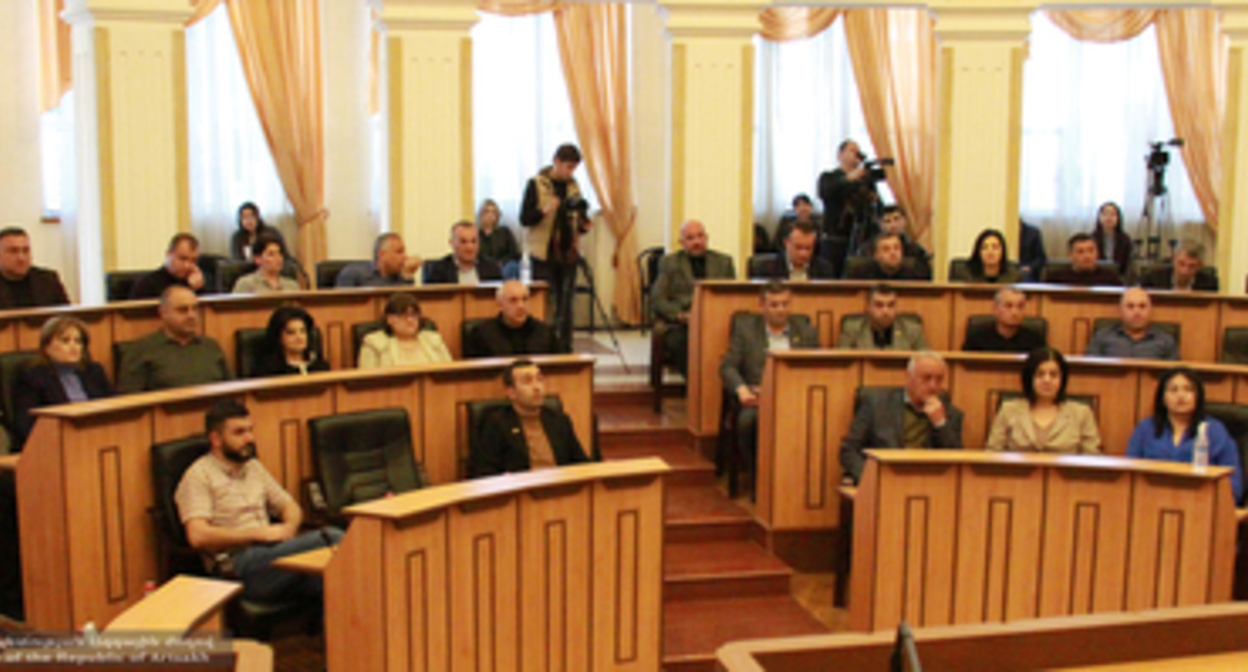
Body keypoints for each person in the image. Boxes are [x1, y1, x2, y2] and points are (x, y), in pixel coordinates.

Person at [176, 399, 343, 604]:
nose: (250, 438)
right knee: (334, 539)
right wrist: (256, 534)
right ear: (216, 439)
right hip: (237, 565)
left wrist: (289, 527)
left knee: (331, 578)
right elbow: (197, 535)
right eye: (239, 433)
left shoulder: (253, 467)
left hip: (271, 554)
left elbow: (290, 506)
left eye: (250, 430)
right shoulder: (199, 476)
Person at [719, 281, 819, 466]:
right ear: (762, 306)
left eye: (785, 304)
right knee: (748, 423)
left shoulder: (805, 331)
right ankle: (759, 474)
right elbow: (728, 366)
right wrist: (742, 389)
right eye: (774, 305)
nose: (780, 310)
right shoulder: (746, 329)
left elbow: (815, 368)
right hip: (758, 398)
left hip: (795, 397)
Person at [839, 352, 964, 484]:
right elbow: (849, 450)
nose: (933, 386)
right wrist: (870, 478)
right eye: (926, 378)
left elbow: (956, 462)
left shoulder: (950, 414)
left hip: (929, 484)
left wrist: (940, 424)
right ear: (908, 377)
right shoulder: (876, 405)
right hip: (884, 481)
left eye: (939, 379)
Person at [1127, 367, 1243, 502]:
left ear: (1198, 396)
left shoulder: (1215, 431)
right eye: (1173, 390)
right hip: (1150, 503)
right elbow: (1129, 476)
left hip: (1201, 504)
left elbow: (1234, 485)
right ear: (1162, 397)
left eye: (1188, 389)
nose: (1181, 395)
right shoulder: (1145, 429)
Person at [519, 144, 590, 352]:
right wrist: (544, 210)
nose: (570, 173)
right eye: (567, 167)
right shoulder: (536, 184)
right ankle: (543, 346)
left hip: (568, 253)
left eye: (573, 169)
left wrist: (584, 226)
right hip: (543, 253)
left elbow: (577, 216)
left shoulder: (573, 186)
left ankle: (565, 347)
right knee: (545, 303)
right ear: (556, 161)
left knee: (566, 305)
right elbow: (525, 219)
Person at [469, 359, 589, 477]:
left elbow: (581, 464)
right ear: (511, 392)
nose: (537, 387)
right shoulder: (496, 424)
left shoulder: (559, 420)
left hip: (560, 489)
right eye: (527, 382)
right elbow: (485, 473)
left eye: (540, 380)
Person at [11, 316, 114, 449]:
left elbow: (114, 404)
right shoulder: (32, 377)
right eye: (65, 341)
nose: (74, 346)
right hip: (53, 446)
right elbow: (26, 426)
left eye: (78, 341)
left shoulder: (93, 372)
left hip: (95, 440)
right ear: (46, 347)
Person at [651, 220, 736, 375]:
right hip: (683, 323)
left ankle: (723, 388)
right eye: (690, 238)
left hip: (716, 321)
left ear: (706, 238)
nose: (697, 242)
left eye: (700, 236)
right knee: (680, 342)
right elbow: (657, 298)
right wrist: (680, 315)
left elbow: (732, 296)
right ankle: (696, 388)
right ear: (682, 242)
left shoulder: (724, 262)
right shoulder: (670, 263)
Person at [117, 285, 232, 393]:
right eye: (183, 310)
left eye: (195, 309)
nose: (191, 316)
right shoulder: (141, 350)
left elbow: (232, 390)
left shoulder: (211, 346)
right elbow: (129, 403)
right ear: (163, 313)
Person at [986, 348, 1101, 454]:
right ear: (1029, 378)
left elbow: (1094, 459)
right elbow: (992, 454)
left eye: (1053, 375)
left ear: (1062, 379)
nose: (1047, 380)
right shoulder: (1008, 410)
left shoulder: (1081, 414)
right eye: (1040, 374)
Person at [818, 139, 881, 269]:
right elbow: (826, 191)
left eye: (859, 152)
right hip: (835, 238)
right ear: (840, 155)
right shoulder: (829, 177)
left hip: (862, 238)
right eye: (852, 150)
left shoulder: (865, 182)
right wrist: (849, 178)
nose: (857, 154)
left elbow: (876, 205)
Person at [464, 280, 558, 358]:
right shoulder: (481, 335)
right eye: (513, 300)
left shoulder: (545, 332)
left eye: (525, 299)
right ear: (500, 305)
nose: (521, 306)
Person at [358, 293, 452, 368]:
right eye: (404, 315)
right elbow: (367, 382)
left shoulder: (433, 340)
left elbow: (449, 374)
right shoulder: (374, 343)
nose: (410, 320)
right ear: (390, 319)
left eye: (414, 315)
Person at [1085, 287, 1178, 361]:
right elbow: (1088, 372)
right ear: (1120, 311)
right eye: (1130, 306)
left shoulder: (1166, 341)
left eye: (1142, 306)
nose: (1137, 312)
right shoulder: (1102, 337)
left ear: (1150, 311)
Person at [838, 284, 928, 350]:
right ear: (868, 307)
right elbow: (842, 365)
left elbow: (925, 363)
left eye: (891, 305)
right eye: (879, 305)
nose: (886, 311)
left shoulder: (912, 330)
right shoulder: (852, 330)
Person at [0, 226, 70, 309]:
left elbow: (67, 317)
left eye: (26, 251)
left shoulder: (48, 281)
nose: (21, 258)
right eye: (13, 251)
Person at [853, 206, 932, 279]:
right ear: (880, 224)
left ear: (905, 221)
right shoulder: (868, 250)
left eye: (896, 219)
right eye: (887, 221)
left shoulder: (915, 251)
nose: (893, 225)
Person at [962, 287, 1046, 352]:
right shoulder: (977, 340)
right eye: (1008, 306)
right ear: (995, 309)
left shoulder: (1035, 341)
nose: (1014, 312)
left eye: (1020, 306)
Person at [254, 306, 329, 377]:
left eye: (303, 331)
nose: (299, 337)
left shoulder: (319, 366)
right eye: (291, 333)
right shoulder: (268, 371)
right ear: (278, 337)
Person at [423, 221, 503, 285]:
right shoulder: (437, 271)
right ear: (452, 243)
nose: (469, 247)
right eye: (463, 242)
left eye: (474, 241)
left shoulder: (492, 268)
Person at [130, 233, 206, 300]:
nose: (187, 265)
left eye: (193, 261)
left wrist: (198, 289)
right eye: (182, 259)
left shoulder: (195, 283)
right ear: (168, 254)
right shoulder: (147, 284)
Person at [335, 233, 423, 288]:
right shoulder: (353, 274)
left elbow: (404, 307)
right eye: (399, 252)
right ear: (382, 255)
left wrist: (407, 275)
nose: (405, 257)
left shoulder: (401, 277)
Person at [754, 222, 837, 280]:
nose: (803, 254)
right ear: (786, 243)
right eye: (798, 247)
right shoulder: (767, 269)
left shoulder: (824, 269)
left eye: (808, 248)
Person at [1044, 233, 1122, 286]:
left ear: (1097, 253)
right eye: (1080, 252)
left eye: (1091, 251)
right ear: (1070, 256)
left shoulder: (1110, 278)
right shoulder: (1056, 279)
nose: (1087, 256)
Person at [231, 234, 299, 294]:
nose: (278, 258)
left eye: (279, 253)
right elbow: (234, 307)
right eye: (271, 254)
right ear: (257, 259)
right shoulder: (245, 283)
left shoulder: (292, 285)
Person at [1140, 240, 1218, 292]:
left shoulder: (1209, 284)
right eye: (1181, 263)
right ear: (1174, 258)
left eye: (1192, 266)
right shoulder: (1152, 279)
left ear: (1200, 265)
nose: (1185, 271)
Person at [845, 233, 928, 281]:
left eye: (896, 248)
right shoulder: (861, 273)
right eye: (886, 249)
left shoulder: (915, 272)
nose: (893, 253)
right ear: (876, 255)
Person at [953, 229, 1022, 284]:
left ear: (1003, 251)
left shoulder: (1013, 277)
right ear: (978, 252)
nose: (990, 252)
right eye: (984, 248)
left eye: (995, 247)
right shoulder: (965, 275)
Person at [1092, 201, 1133, 276]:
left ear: (1118, 218)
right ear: (1099, 217)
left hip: (1119, 277)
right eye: (1105, 214)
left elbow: (1127, 265)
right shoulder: (1092, 238)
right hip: (1096, 277)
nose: (1108, 217)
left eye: (1112, 214)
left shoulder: (1125, 240)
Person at [476, 199, 520, 265]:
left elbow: (513, 253)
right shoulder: (476, 234)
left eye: (493, 212)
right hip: (484, 267)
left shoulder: (505, 232)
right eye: (487, 212)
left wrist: (501, 262)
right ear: (481, 215)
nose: (490, 215)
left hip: (504, 265)